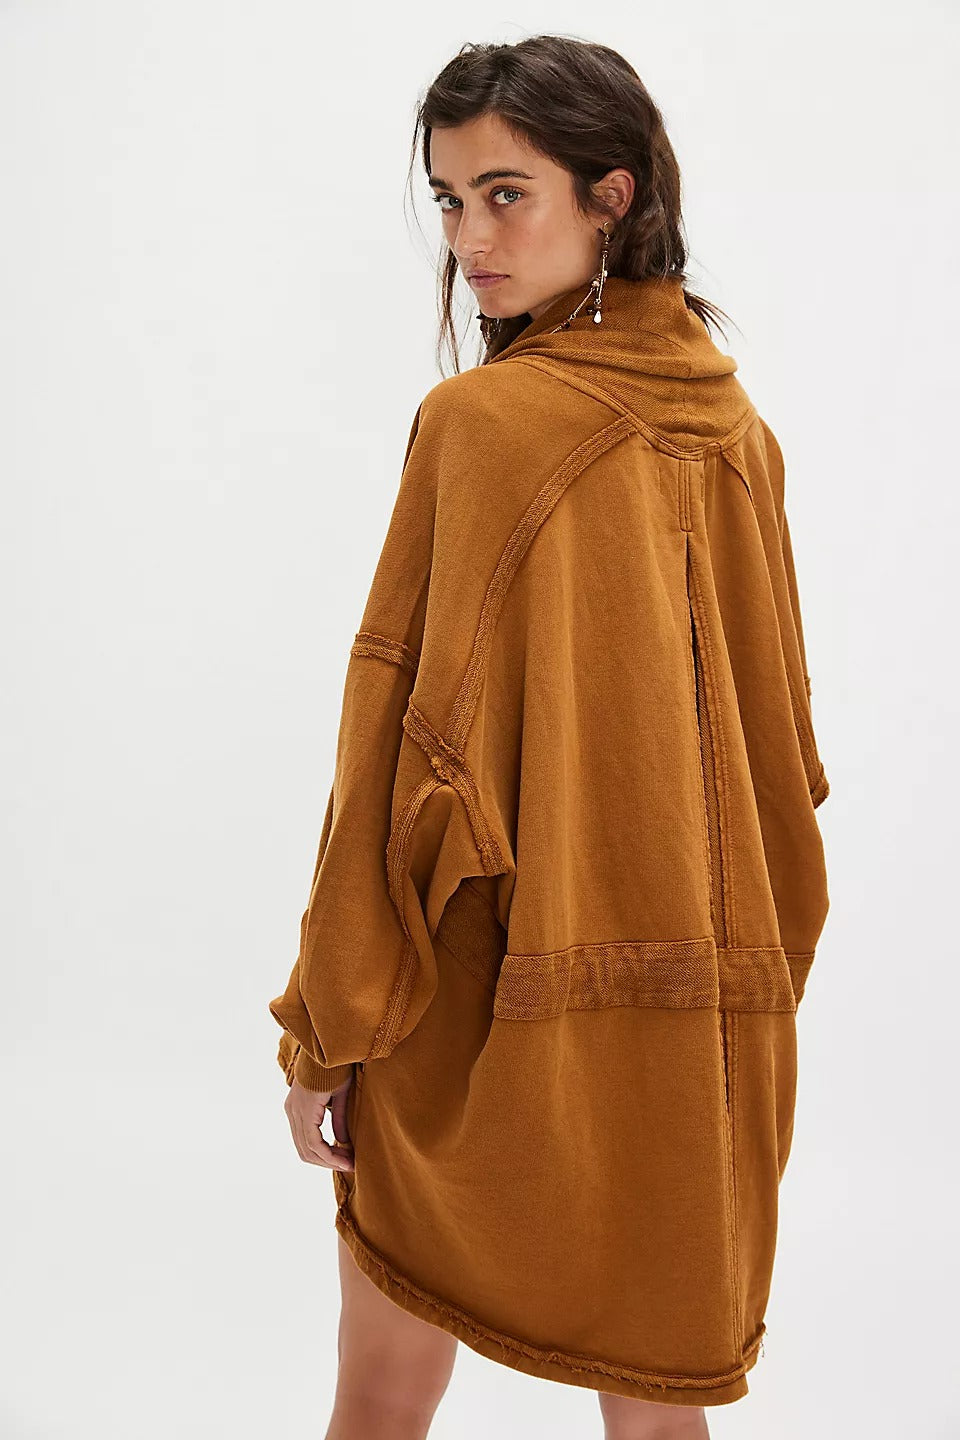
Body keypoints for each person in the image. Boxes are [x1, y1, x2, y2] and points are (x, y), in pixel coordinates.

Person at [268, 34, 831, 1440]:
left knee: (380, 1393)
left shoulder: (485, 424)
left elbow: (399, 757)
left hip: (489, 1009)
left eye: (506, 195)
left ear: (611, 195)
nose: (468, 238)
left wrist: (327, 1025)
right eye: (450, 200)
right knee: (659, 1410)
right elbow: (787, 768)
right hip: (701, 1032)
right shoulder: (742, 436)